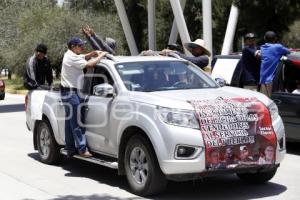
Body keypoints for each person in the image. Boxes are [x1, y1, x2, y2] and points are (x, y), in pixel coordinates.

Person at [61, 37, 107, 157]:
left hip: (69, 92)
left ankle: (70, 148)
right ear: (73, 47)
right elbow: (90, 64)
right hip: (71, 93)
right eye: (80, 46)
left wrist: (92, 53)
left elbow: (83, 57)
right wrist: (101, 55)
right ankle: (82, 149)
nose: (82, 47)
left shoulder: (71, 55)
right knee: (77, 122)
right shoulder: (71, 57)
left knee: (70, 122)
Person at [260, 31, 290, 96]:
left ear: (264, 38)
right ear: (275, 39)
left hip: (263, 80)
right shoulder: (277, 47)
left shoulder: (262, 47)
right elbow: (288, 51)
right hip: (272, 80)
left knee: (265, 102)